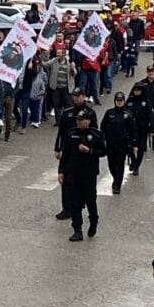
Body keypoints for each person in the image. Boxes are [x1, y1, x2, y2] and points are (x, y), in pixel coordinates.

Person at [58, 108, 107, 241]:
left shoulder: (96, 134)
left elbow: (103, 151)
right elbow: (65, 154)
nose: (78, 122)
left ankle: (93, 221)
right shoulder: (71, 133)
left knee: (90, 200)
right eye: (77, 120)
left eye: (81, 120)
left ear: (88, 121)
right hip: (73, 173)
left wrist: (89, 151)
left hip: (89, 174)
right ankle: (77, 230)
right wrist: (61, 171)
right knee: (75, 203)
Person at [53, 88, 98, 220]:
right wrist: (58, 148)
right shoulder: (67, 113)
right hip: (69, 151)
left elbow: (95, 133)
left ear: (84, 97)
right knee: (65, 180)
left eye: (79, 96)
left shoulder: (90, 113)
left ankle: (81, 204)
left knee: (82, 181)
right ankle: (66, 208)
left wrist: (89, 147)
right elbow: (61, 132)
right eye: (74, 96)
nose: (76, 98)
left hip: (83, 151)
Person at [102, 92, 136, 194]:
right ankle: (115, 177)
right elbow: (103, 127)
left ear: (124, 101)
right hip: (111, 144)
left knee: (120, 165)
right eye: (118, 101)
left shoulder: (128, 115)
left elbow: (133, 130)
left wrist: (133, 144)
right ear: (115, 101)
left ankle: (117, 184)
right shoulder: (109, 113)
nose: (119, 102)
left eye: (121, 101)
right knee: (111, 165)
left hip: (122, 145)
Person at [126, 83, 154, 175]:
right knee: (129, 146)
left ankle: (137, 166)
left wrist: (151, 129)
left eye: (138, 90)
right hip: (131, 128)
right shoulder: (130, 101)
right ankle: (133, 161)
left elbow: (150, 115)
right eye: (135, 90)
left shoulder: (145, 101)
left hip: (142, 128)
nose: (136, 92)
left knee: (141, 148)